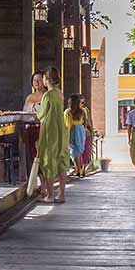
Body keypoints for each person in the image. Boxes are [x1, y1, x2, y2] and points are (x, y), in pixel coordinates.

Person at [35, 66, 71, 203]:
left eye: (43, 77)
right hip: (61, 129)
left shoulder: (48, 95)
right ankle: (61, 194)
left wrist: (35, 113)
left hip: (50, 130)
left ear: (47, 79)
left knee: (48, 161)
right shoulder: (59, 93)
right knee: (61, 161)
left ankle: (50, 195)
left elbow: (42, 115)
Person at [65, 93, 91, 178]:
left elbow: (66, 124)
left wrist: (66, 135)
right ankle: (78, 169)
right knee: (78, 150)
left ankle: (77, 169)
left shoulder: (68, 112)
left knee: (73, 151)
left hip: (72, 130)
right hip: (80, 131)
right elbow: (85, 123)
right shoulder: (83, 111)